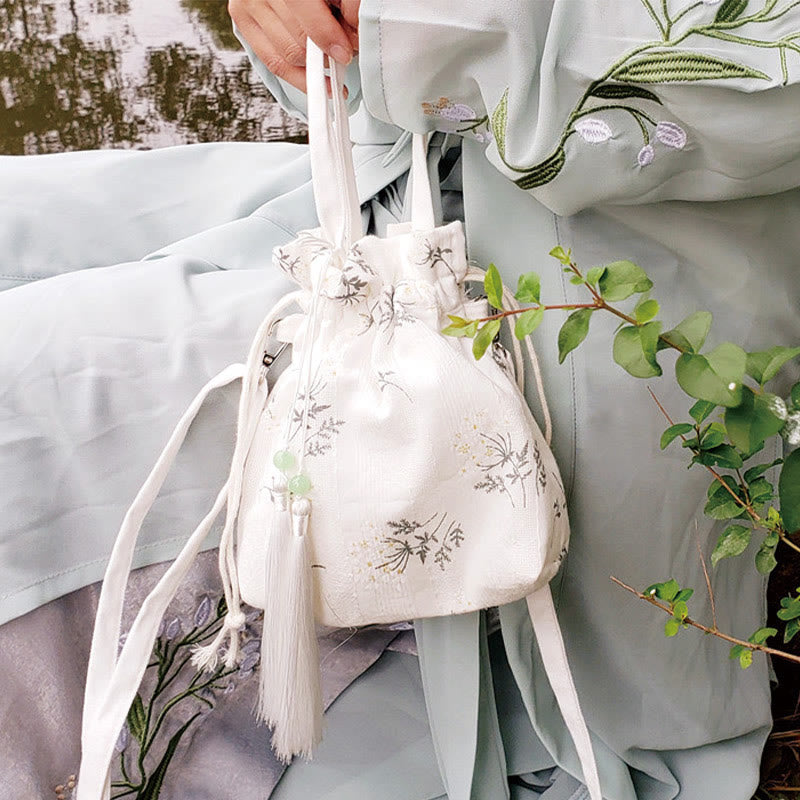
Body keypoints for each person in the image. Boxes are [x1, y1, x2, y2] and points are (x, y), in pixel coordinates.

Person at [1, 1, 798, 798]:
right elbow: (366, 80)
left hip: (609, 281)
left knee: (33, 387)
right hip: (384, 192)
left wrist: (420, 21)